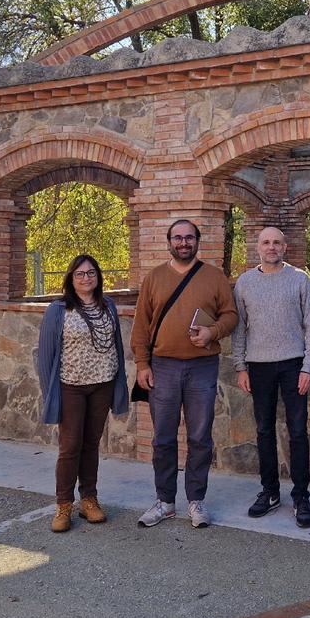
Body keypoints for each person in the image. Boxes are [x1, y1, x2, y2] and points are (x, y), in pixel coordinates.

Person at [131, 219, 237, 529]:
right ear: (169, 242)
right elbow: (140, 325)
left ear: (197, 241)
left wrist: (212, 332)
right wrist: (142, 364)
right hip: (162, 366)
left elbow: (231, 315)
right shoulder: (154, 278)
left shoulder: (214, 277)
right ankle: (164, 502)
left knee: (199, 437)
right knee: (163, 438)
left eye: (189, 237)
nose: (183, 243)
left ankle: (196, 501)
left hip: (202, 367)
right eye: (177, 238)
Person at [232, 227, 310, 528]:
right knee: (264, 430)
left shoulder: (299, 279)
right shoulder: (244, 282)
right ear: (257, 247)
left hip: (294, 364)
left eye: (277, 243)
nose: (271, 247)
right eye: (266, 242)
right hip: (259, 366)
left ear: (285, 247)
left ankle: (301, 496)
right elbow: (239, 329)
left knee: (297, 432)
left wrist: (309, 366)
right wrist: (240, 367)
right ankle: (270, 492)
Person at [35, 254, 129, 533]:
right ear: (71, 279)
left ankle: (89, 499)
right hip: (71, 386)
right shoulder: (59, 309)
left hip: (103, 384)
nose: (86, 278)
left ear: (98, 276)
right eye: (80, 274)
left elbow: (117, 348)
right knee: (70, 446)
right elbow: (46, 356)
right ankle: (64, 504)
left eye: (91, 273)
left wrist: (118, 383)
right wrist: (49, 393)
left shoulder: (108, 306)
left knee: (91, 443)